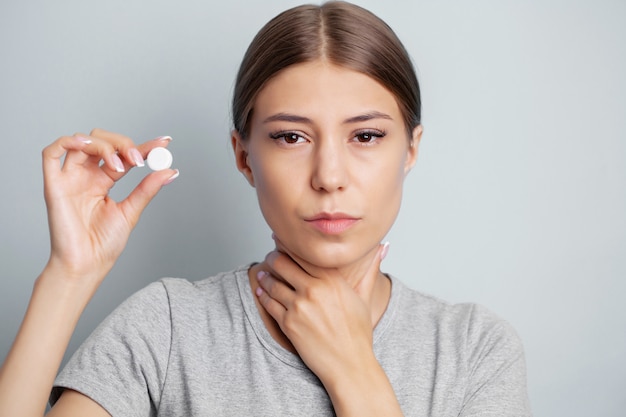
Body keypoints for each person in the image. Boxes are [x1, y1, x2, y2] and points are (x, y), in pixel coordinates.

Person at [0, 2, 532, 416]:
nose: (329, 176)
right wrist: (69, 275)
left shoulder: (475, 350)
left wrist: (356, 374)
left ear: (410, 150)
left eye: (366, 135)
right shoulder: (166, 329)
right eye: (292, 136)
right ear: (243, 156)